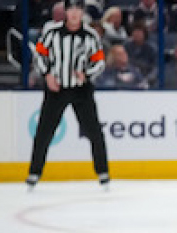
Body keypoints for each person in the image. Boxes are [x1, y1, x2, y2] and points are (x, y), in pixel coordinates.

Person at [28, 0, 110, 190]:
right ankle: (34, 173)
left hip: (82, 90)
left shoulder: (91, 36)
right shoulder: (52, 33)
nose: (74, 13)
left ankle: (103, 173)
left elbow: (99, 61)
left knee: (94, 132)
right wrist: (47, 74)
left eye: (77, 9)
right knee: (43, 132)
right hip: (56, 88)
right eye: (70, 9)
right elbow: (39, 55)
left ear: (82, 12)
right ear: (65, 12)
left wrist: (87, 74)